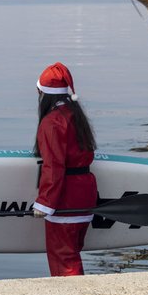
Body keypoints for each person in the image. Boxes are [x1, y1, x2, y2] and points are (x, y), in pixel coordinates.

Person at [32, 62, 97, 277]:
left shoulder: (52, 122)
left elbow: (54, 166)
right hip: (85, 193)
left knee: (64, 257)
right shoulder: (75, 115)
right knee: (72, 253)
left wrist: (45, 203)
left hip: (65, 198)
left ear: (43, 93)